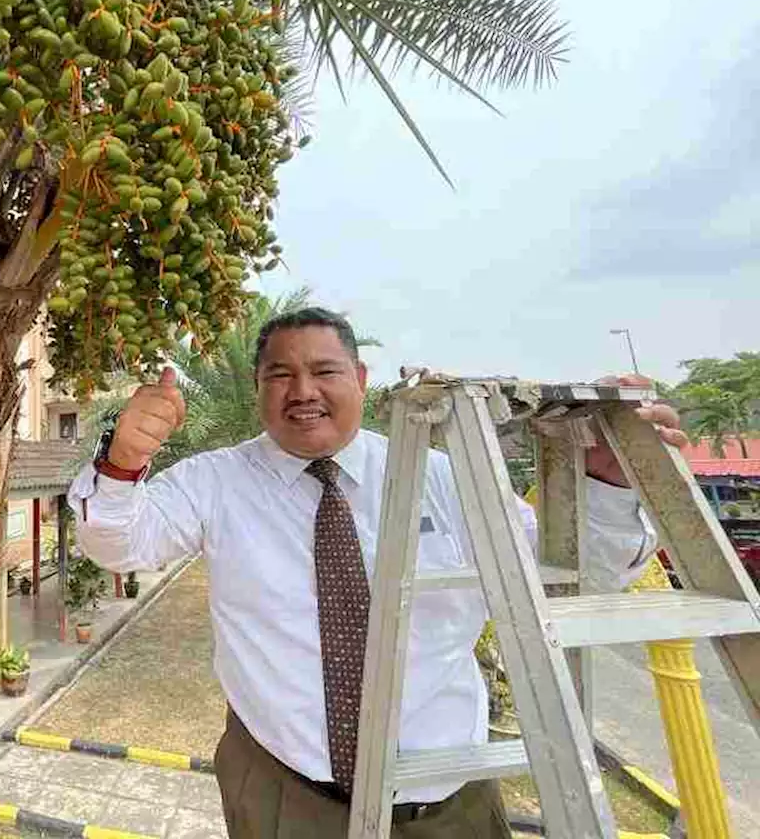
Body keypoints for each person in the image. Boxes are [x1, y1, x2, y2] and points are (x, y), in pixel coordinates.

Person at [68, 307, 687, 839]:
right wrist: (123, 460)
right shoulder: (216, 481)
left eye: (324, 371)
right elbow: (119, 544)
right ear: (258, 389)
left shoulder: (447, 478)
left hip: (450, 801)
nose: (302, 390)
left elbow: (572, 577)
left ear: (361, 380)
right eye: (279, 375)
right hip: (285, 794)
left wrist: (605, 479)